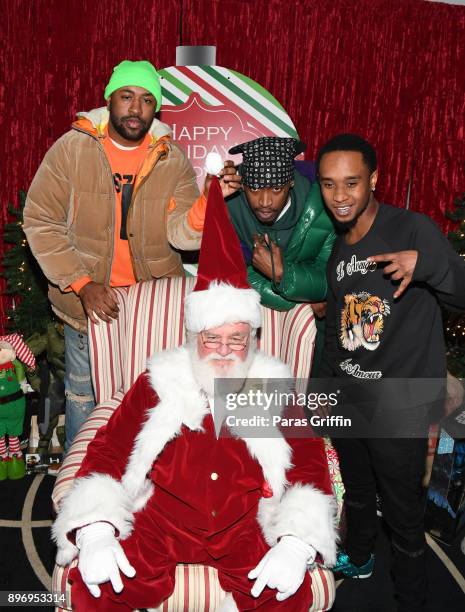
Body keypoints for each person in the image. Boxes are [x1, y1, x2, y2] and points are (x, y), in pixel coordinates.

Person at [51, 177, 337, 612]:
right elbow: (109, 450)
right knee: (96, 586)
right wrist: (95, 530)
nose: (224, 351)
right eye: (212, 338)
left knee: (286, 592)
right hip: (162, 523)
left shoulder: (270, 388)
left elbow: (309, 462)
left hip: (243, 528)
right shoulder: (159, 381)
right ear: (193, 335)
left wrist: (296, 543)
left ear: (252, 338)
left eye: (236, 339)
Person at [23, 60, 240, 450]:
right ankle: (81, 485)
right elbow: (41, 221)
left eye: (145, 100)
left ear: (155, 108)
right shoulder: (72, 149)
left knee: (153, 397)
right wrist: (81, 283)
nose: (136, 108)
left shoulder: (168, 156)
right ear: (110, 99)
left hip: (150, 304)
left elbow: (182, 234)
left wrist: (210, 199)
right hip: (88, 304)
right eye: (127, 97)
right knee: (83, 397)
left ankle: (147, 486)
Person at [316, 133, 465, 611]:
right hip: (350, 393)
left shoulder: (412, 229)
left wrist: (428, 265)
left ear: (374, 180)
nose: (340, 196)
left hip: (400, 399)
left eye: (352, 183)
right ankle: (359, 557)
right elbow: (337, 331)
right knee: (358, 492)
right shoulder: (341, 249)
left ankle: (413, 598)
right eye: (329, 184)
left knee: (403, 518)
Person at [224, 136, 336, 372]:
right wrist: (303, 298)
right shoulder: (229, 204)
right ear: (243, 184)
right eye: (254, 189)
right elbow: (231, 274)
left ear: (291, 183)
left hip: (320, 327)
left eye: (276, 189)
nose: (265, 202)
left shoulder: (320, 206)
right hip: (255, 314)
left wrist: (280, 273)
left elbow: (328, 279)